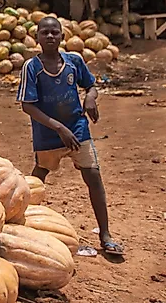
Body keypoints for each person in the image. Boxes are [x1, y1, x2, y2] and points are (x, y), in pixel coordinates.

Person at [16, 17, 124, 257]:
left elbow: (91, 85)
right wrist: (58, 128)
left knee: (93, 175)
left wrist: (90, 98)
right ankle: (22, 223)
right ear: (37, 37)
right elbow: (27, 106)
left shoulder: (74, 61)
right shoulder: (31, 67)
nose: (51, 36)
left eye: (55, 32)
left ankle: (105, 234)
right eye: (45, 33)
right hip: (48, 134)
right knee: (38, 179)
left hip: (77, 129)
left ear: (63, 37)